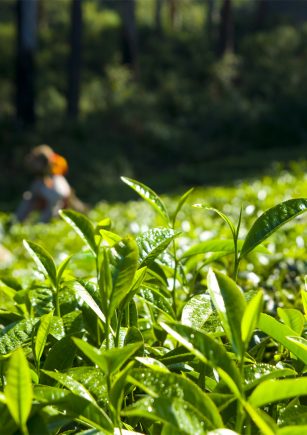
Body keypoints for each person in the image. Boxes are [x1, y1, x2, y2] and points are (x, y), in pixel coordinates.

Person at [16, 145, 86, 223]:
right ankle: (17, 221)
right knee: (27, 198)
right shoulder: (38, 181)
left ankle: (43, 223)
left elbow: (59, 196)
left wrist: (43, 222)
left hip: (61, 203)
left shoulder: (56, 179)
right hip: (48, 201)